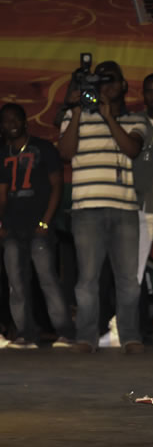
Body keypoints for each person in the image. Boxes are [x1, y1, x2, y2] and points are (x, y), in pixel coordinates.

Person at [58, 61, 147, 353]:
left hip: (124, 209)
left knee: (128, 280)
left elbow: (132, 149)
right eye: (102, 80)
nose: (107, 85)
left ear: (123, 85)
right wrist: (74, 113)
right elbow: (65, 152)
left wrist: (109, 118)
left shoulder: (135, 119)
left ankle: (130, 336)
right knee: (87, 280)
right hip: (86, 209)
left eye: (113, 79)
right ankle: (86, 338)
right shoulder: (75, 116)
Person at [105, 73, 153, 348]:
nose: (152, 96)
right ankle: (118, 329)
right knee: (131, 270)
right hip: (138, 205)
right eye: (148, 91)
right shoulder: (134, 121)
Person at [0, 103, 74, 348]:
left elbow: (57, 186)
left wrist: (46, 220)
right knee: (16, 282)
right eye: (5, 121)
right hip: (12, 228)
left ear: (24, 122)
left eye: (14, 120)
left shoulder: (44, 148)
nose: (10, 125)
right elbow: (1, 194)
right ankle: (25, 334)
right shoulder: (3, 153)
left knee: (47, 280)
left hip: (39, 227)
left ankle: (64, 332)